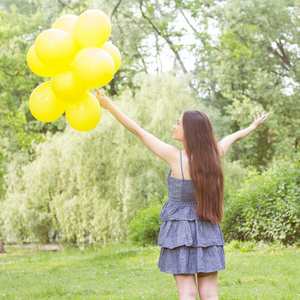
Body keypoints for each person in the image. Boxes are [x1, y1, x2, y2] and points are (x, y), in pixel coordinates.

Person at [95, 88, 268, 300]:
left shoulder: (175, 157)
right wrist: (252, 126)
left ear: (190, 131)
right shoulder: (214, 155)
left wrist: (109, 106)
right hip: (208, 227)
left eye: (178, 123)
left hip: (179, 231)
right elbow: (233, 137)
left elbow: (138, 131)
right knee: (209, 293)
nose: (173, 126)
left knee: (187, 293)